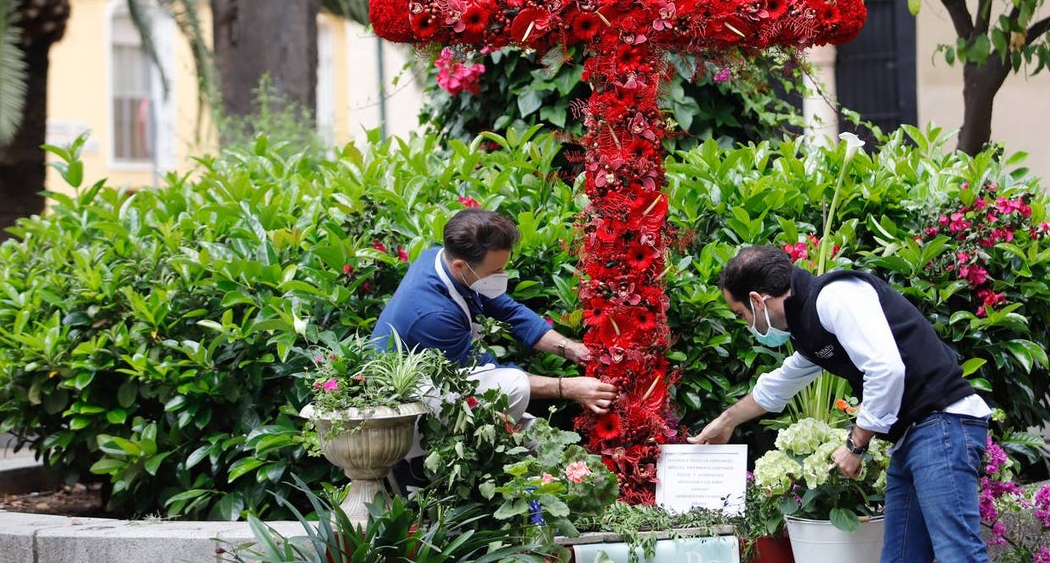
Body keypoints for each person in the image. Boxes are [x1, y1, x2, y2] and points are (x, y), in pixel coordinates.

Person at [689, 245, 991, 563]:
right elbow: (780, 384)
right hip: (913, 436)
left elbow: (885, 369)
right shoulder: (808, 323)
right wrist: (727, 421)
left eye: (741, 315)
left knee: (958, 555)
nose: (746, 324)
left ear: (755, 300)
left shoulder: (835, 297)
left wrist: (856, 444)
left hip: (941, 423)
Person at [371, 208, 617, 422]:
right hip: (401, 408)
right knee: (514, 391)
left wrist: (570, 348)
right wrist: (568, 388)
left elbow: (508, 311)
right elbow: (487, 375)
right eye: (496, 270)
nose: (502, 274)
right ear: (460, 265)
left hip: (444, 376)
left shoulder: (441, 258)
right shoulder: (434, 316)